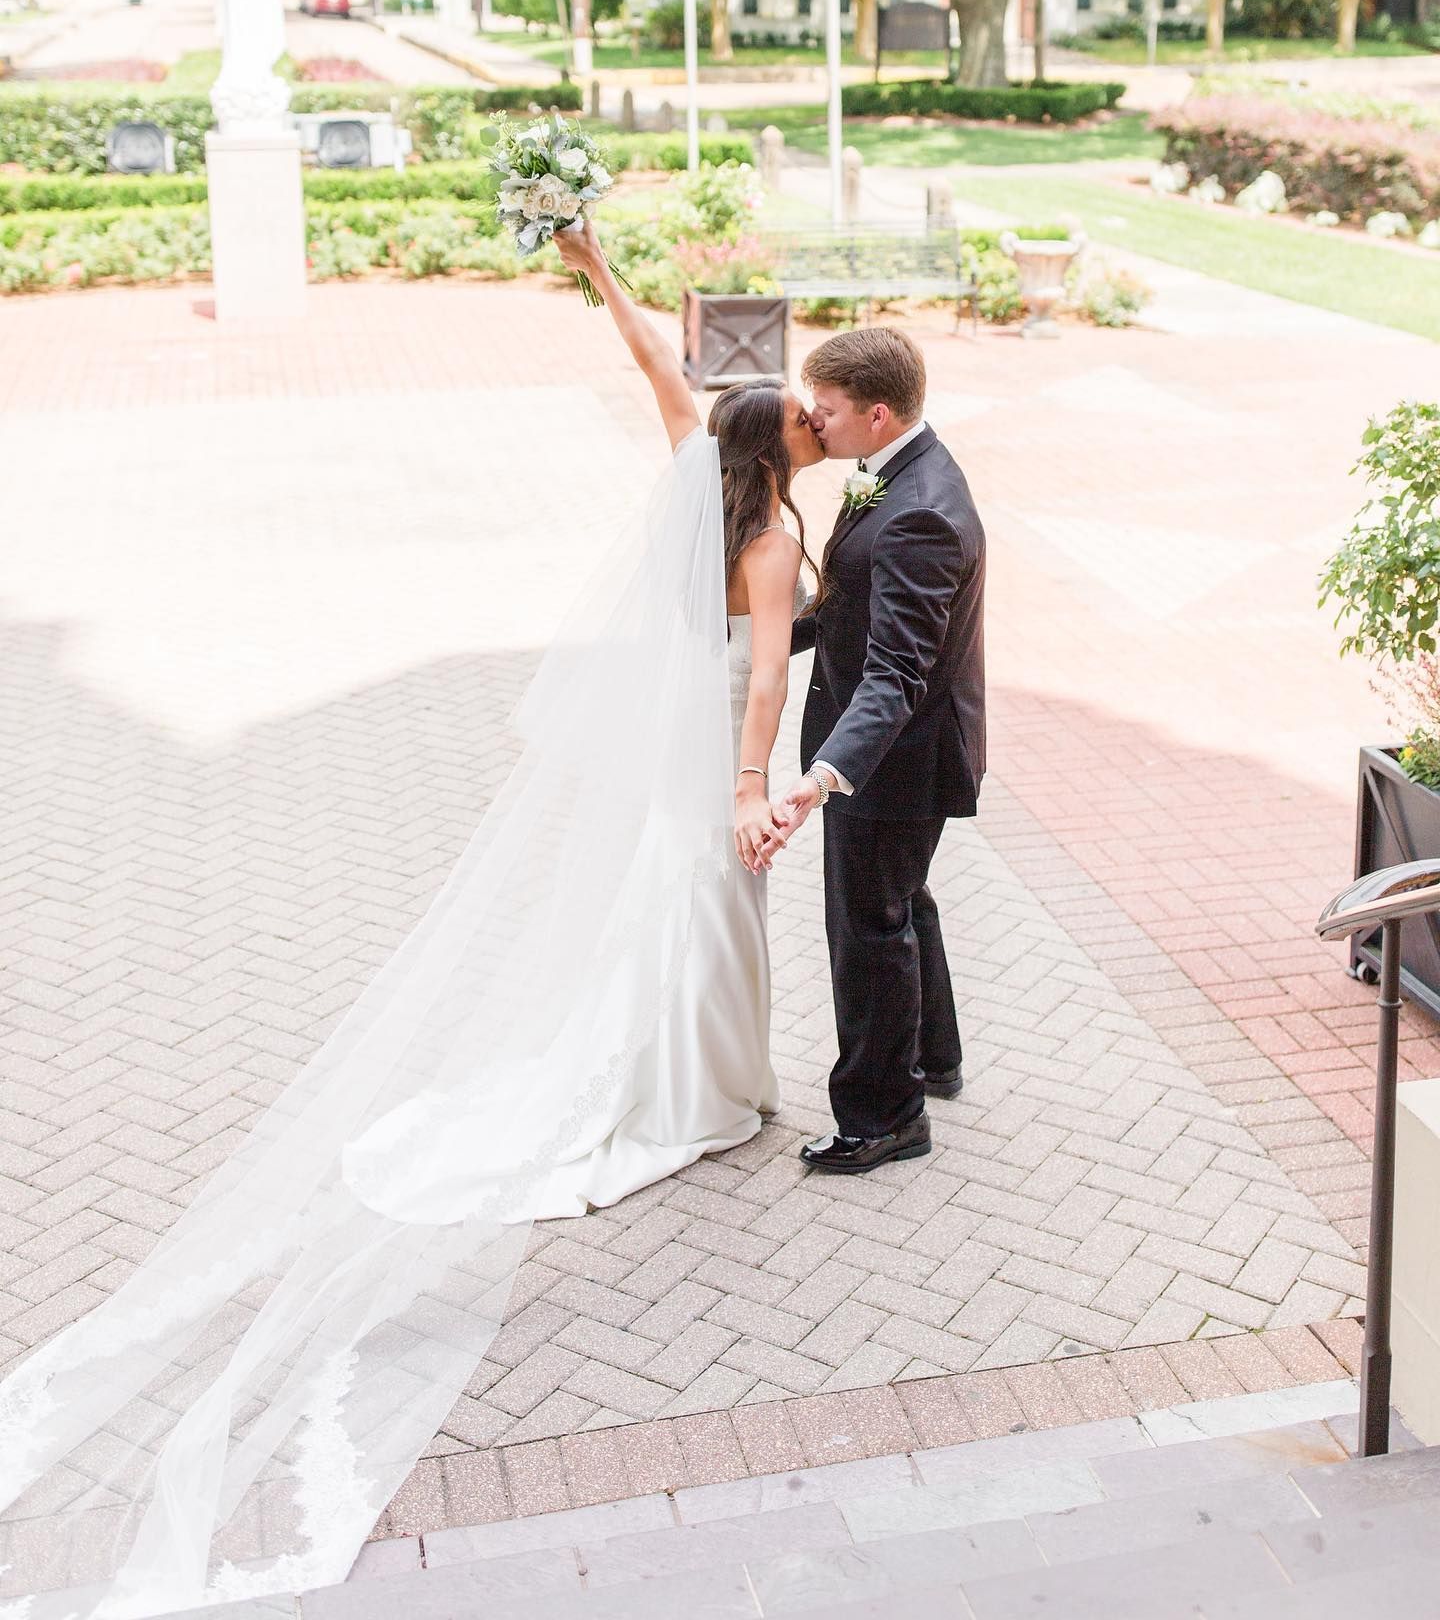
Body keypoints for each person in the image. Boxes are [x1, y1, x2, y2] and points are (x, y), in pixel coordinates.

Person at [0, 223, 824, 1620]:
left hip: (670, 728)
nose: (813, 421)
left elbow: (649, 359)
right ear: (778, 445)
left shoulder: (702, 470)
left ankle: (697, 1075)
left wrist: (594, 261)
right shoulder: (765, 540)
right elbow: (762, 692)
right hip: (716, 745)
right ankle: (702, 1090)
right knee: (715, 905)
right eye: (803, 415)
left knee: (674, 905)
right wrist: (756, 786)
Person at [762, 326, 986, 1175]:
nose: (814, 426)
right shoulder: (902, 474)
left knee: (868, 927)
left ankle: (884, 1117)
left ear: (879, 414)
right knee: (901, 903)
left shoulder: (919, 513)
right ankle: (933, 1059)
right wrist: (763, 635)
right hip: (901, 744)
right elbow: (856, 609)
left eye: (826, 412)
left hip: (896, 757)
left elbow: (895, 671)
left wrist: (822, 777)